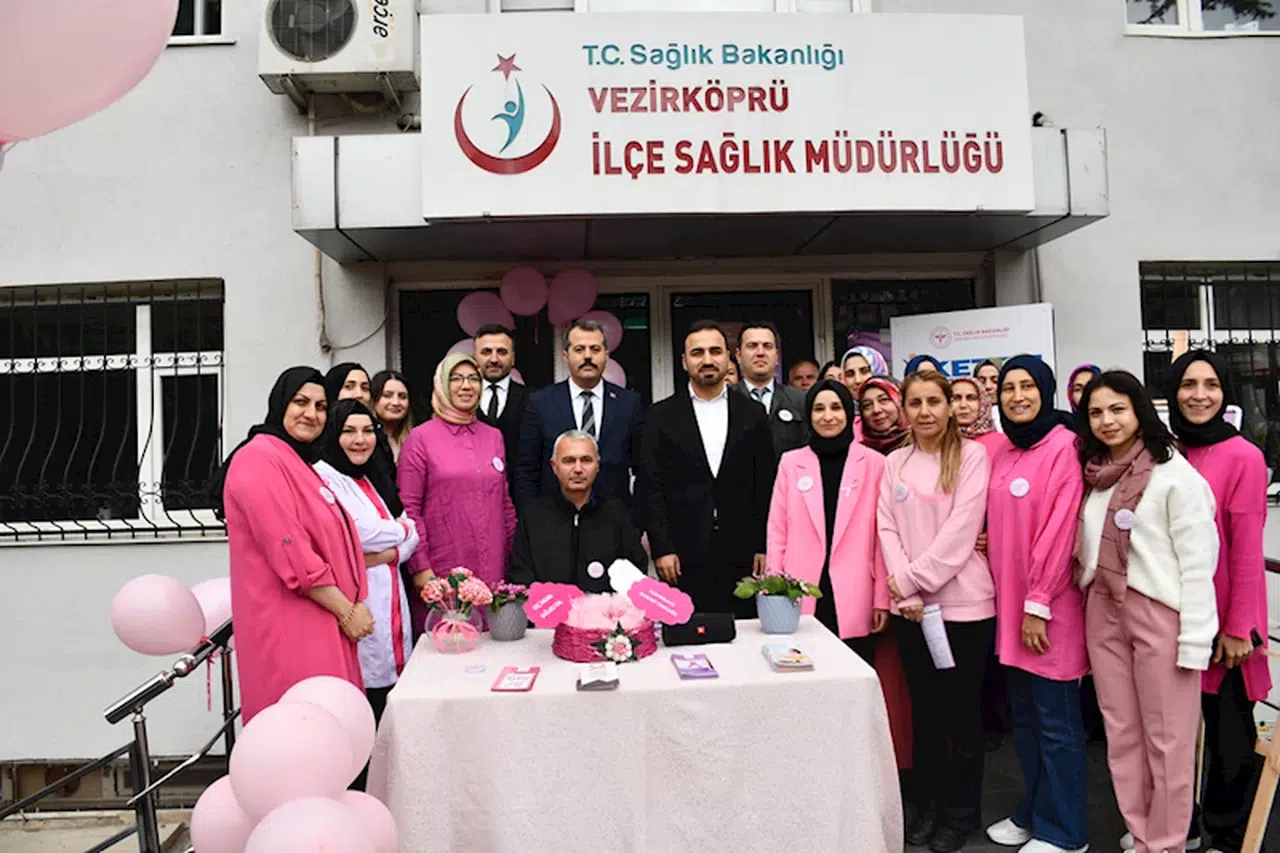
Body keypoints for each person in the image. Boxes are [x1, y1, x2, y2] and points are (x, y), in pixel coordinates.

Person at [1075, 370, 1219, 853]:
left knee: (1168, 742)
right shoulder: (1097, 474)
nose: (1107, 421)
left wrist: (1196, 639)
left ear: (1139, 410)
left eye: (1118, 409)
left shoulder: (1175, 474)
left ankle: (1167, 843)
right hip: (1103, 608)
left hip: (1158, 614)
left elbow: (1199, 563)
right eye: (1096, 412)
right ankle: (1141, 837)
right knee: (1122, 736)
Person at [879, 370, 996, 853]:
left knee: (961, 715)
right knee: (925, 714)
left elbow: (961, 532)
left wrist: (910, 580)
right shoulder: (895, 462)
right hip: (912, 612)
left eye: (934, 401)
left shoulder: (972, 457)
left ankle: (960, 813)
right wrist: (905, 592)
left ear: (950, 407)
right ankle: (927, 805)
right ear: (904, 409)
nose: (925, 411)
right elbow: (886, 528)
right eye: (916, 403)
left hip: (964, 608)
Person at [215, 367, 370, 722]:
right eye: (301, 402)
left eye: (321, 406)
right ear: (280, 404)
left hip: (323, 622)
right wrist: (347, 612)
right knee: (305, 729)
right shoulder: (258, 459)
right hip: (293, 628)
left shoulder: (297, 461)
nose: (311, 414)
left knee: (332, 728)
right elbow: (291, 550)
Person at [984, 355, 1089, 853]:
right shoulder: (1006, 449)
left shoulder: (1065, 446)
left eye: (1027, 386)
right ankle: (1035, 809)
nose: (1017, 396)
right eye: (1008, 388)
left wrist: (1038, 604)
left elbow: (1060, 531)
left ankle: (1066, 832)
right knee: (1025, 721)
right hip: (1011, 611)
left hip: (1048, 613)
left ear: (1045, 391)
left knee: (1057, 725)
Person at [1168, 350, 1271, 853]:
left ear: (1225, 392)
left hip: (1225, 624)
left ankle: (1228, 836)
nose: (1199, 395)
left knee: (1229, 736)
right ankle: (1181, 824)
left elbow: (1247, 548)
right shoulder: (1169, 452)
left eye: (1210, 384)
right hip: (1175, 619)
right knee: (1176, 733)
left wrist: (1237, 627)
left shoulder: (1243, 456)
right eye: (1188, 384)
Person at [641, 320, 777, 617]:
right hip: (682, 554)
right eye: (697, 352)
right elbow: (651, 487)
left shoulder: (753, 414)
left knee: (744, 634)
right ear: (684, 361)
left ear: (728, 357)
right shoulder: (660, 416)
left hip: (743, 553)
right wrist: (662, 547)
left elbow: (765, 484)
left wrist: (764, 545)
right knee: (687, 633)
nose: (707, 359)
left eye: (715, 351)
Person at [767, 379, 887, 663]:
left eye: (836, 407)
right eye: (819, 409)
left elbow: (883, 537)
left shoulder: (875, 463)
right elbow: (777, 530)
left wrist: (882, 598)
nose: (828, 416)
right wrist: (774, 587)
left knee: (854, 670)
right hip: (800, 588)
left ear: (848, 412)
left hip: (857, 589)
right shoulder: (790, 463)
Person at [314, 399, 418, 721]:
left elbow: (414, 534)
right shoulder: (324, 476)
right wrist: (400, 533)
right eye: (349, 431)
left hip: (392, 597)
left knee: (394, 694)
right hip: (358, 600)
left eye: (367, 431)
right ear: (333, 435)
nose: (360, 440)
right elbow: (360, 532)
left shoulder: (371, 476)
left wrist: (391, 551)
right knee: (364, 699)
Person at [399, 354, 516, 634]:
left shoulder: (493, 436)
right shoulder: (420, 438)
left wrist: (518, 559)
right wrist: (421, 568)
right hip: (443, 568)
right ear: (441, 384)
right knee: (450, 645)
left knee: (494, 644)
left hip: (494, 566)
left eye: (474, 378)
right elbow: (408, 508)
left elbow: (505, 503)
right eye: (456, 378)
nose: (466, 386)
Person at [515, 320, 646, 520]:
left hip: (614, 522)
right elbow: (526, 470)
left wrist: (635, 522)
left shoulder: (629, 403)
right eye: (579, 349)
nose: (587, 356)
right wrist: (533, 521)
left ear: (606, 355)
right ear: (565, 356)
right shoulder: (541, 403)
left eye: (595, 349)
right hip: (554, 521)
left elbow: (644, 470)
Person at [509, 430, 648, 592]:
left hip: (606, 607)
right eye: (568, 461)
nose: (578, 469)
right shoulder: (533, 515)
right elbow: (521, 575)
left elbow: (635, 572)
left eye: (586, 460)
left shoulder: (616, 513)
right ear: (554, 466)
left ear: (597, 465)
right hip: (548, 607)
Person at [735, 321, 807, 458]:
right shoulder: (726, 399)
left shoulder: (799, 400)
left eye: (767, 346)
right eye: (752, 346)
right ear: (739, 355)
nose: (760, 353)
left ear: (777, 355)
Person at [475, 324, 530, 489]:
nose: (494, 359)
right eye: (486, 352)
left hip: (518, 496)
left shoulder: (533, 400)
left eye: (501, 352)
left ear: (513, 358)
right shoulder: (462, 399)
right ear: (475, 357)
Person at [951, 376, 1008, 457]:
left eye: (971, 398)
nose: (963, 405)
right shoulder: (937, 441)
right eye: (956, 398)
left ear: (983, 403)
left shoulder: (1004, 443)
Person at [859, 376, 912, 455]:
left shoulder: (921, 443)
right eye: (867, 405)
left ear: (900, 402)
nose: (876, 410)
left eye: (884, 400)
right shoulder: (857, 452)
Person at [370, 370, 414, 462]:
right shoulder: (366, 441)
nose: (396, 402)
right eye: (387, 395)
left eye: (402, 397)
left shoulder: (415, 441)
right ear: (374, 400)